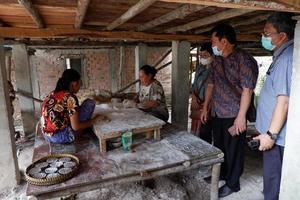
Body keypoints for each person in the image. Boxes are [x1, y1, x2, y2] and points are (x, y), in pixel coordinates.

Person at [200, 24, 258, 197]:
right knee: (219, 147)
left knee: (234, 151)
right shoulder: (217, 60)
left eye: (213, 41)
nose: (212, 44)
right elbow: (211, 84)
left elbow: (247, 90)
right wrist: (205, 108)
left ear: (224, 41)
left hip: (234, 113)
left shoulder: (244, 60)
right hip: (217, 112)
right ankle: (222, 174)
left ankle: (233, 184)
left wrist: (241, 117)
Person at [254, 13, 296, 200]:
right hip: (275, 134)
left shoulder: (286, 58)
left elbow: (284, 101)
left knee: (273, 180)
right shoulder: (282, 56)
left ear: (283, 36)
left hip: (277, 137)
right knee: (272, 179)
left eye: (267, 33)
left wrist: (270, 135)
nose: (264, 37)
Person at [41, 69, 102, 144]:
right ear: (74, 83)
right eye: (79, 83)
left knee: (78, 111)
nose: (80, 86)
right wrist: (95, 120)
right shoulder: (70, 97)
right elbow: (75, 127)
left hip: (47, 135)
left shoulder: (52, 94)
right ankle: (78, 135)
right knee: (89, 103)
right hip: (61, 136)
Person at [190, 42, 214, 144]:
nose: (202, 58)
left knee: (205, 130)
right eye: (201, 55)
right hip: (197, 102)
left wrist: (207, 103)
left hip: (210, 105)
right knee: (197, 129)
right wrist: (194, 98)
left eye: (205, 55)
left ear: (212, 55)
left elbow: (214, 87)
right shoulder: (200, 68)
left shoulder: (215, 69)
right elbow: (194, 84)